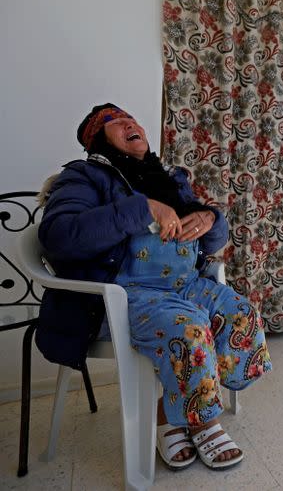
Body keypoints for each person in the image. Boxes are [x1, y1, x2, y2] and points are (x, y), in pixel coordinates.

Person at [37, 104, 271, 470]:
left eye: (131, 118)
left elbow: (212, 242)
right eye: (114, 123)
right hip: (126, 294)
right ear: (98, 139)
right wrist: (141, 208)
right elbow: (59, 237)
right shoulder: (83, 177)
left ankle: (171, 408)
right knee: (190, 330)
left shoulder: (169, 177)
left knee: (240, 314)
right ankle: (202, 420)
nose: (129, 122)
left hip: (185, 284)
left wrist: (211, 219)